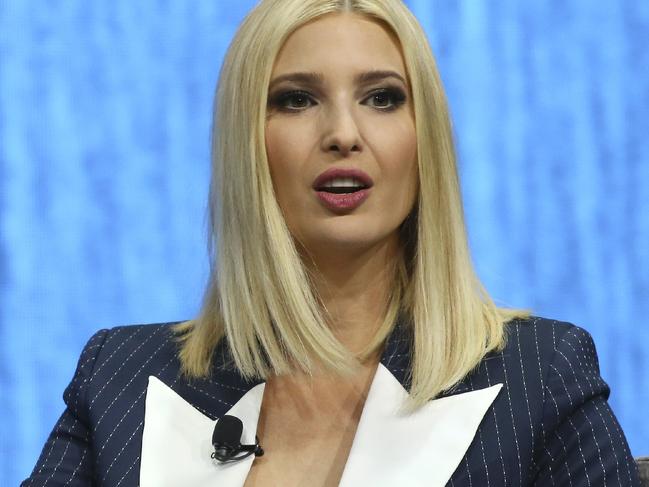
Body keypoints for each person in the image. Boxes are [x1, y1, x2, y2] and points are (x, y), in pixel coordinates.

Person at [23, 0, 640, 485]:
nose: (344, 133)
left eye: (382, 98)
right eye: (297, 100)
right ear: (247, 146)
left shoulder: (540, 376)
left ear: (424, 142)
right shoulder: (120, 378)